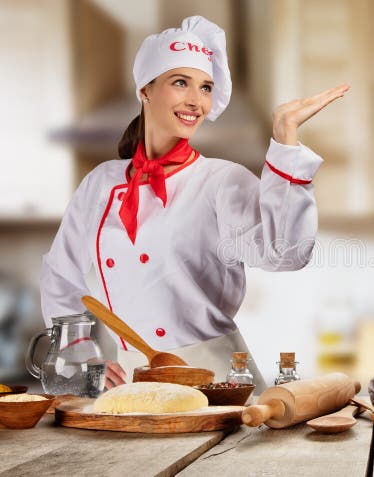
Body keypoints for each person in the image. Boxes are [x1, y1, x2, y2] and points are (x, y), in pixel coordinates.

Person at [39, 16, 348, 393]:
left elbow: (286, 254)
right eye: (180, 82)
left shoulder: (222, 180)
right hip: (133, 381)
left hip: (219, 379)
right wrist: (83, 358)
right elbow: (60, 274)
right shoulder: (101, 183)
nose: (195, 101)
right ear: (145, 90)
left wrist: (285, 139)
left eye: (205, 88)